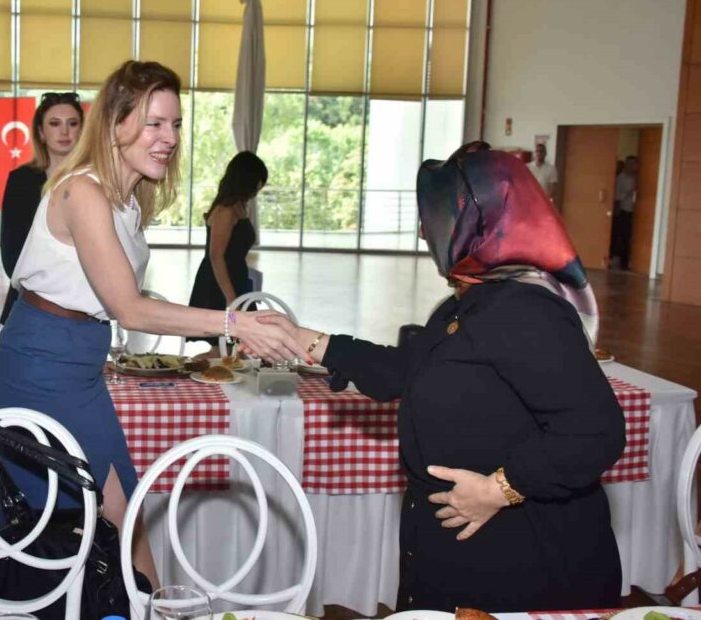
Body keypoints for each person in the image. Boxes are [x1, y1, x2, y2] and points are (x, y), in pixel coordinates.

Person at [257, 144, 625, 612]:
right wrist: (303, 339)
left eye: (434, 219)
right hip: (463, 554)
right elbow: (404, 369)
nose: (422, 231)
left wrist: (498, 489)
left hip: (523, 563)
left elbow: (596, 431)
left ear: (482, 224)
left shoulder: (525, 312)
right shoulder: (470, 302)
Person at [0, 60, 306, 588]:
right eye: (153, 123)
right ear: (115, 125)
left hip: (80, 362)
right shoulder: (83, 191)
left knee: (123, 508)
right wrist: (236, 323)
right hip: (41, 363)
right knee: (76, 523)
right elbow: (130, 308)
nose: (170, 138)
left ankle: (146, 605)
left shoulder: (129, 199)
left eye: (175, 124)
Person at [0, 92, 84, 324]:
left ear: (82, 131)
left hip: (85, 307)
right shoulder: (21, 180)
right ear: (40, 132)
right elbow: (12, 252)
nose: (64, 132)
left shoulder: (97, 180)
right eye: (54, 124)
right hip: (29, 305)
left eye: (72, 124)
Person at [188, 150, 268, 352]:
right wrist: (231, 300)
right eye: (257, 182)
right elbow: (216, 256)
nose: (259, 188)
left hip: (237, 280)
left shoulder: (240, 207)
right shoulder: (226, 211)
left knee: (238, 347)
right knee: (223, 346)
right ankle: (181, 369)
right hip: (220, 285)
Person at [611, 155, 639, 270]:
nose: (631, 167)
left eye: (634, 164)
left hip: (637, 212)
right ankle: (623, 263)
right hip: (625, 211)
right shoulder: (620, 178)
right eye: (629, 164)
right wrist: (628, 193)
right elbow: (616, 196)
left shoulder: (638, 178)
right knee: (624, 237)